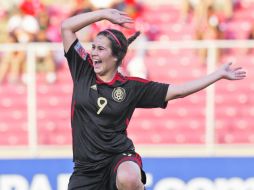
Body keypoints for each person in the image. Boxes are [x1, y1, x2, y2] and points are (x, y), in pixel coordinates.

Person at [61, 9, 246, 190]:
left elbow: (178, 91)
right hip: (85, 169)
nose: (93, 52)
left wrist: (218, 74)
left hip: (117, 157)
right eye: (93, 47)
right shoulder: (82, 69)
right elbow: (67, 27)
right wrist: (101, 14)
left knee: (129, 177)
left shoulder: (131, 87)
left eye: (100, 49)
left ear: (116, 56)